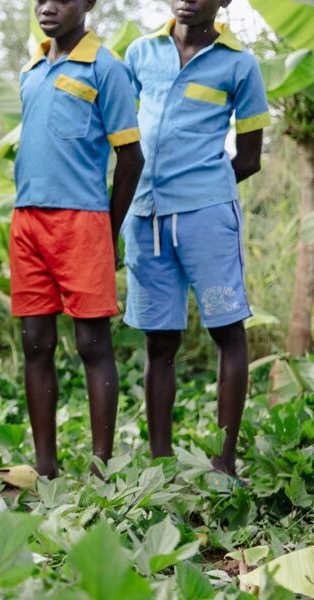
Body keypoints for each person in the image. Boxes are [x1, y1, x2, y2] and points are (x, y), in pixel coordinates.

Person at [124, 0, 268, 480]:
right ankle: (159, 462)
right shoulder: (141, 53)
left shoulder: (239, 64)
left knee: (227, 330)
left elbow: (249, 157)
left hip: (206, 215)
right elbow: (121, 133)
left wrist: (201, 189)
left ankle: (224, 463)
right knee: (159, 341)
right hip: (144, 215)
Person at [12, 0, 144, 478]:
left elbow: (131, 159)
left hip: (83, 222)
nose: (48, 7)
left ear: (88, 4)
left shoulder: (106, 68)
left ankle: (100, 464)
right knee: (35, 343)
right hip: (27, 220)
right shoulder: (30, 69)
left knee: (92, 343)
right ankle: (45, 466)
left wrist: (106, 230)